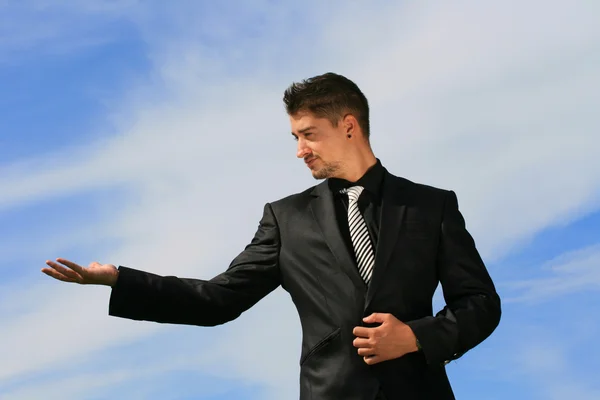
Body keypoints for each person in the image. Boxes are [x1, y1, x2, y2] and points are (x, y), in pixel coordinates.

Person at [42, 72, 501, 400]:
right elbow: (218, 299)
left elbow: (480, 302)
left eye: (308, 135)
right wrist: (119, 280)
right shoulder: (287, 218)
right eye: (294, 137)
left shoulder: (431, 205)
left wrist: (417, 338)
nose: (299, 150)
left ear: (348, 125)